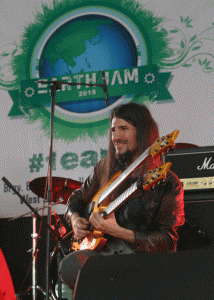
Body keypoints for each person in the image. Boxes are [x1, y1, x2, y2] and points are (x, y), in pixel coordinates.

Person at [58, 102, 185, 290]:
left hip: (142, 265)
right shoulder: (104, 168)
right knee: (69, 265)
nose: (115, 137)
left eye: (123, 128)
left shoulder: (167, 182)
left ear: (142, 132)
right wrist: (75, 219)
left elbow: (167, 242)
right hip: (102, 259)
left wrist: (119, 231)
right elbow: (76, 198)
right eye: (112, 130)